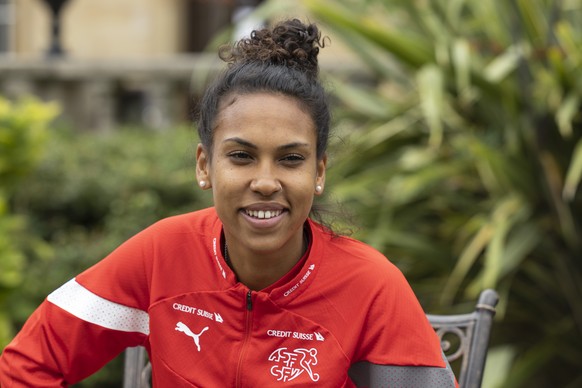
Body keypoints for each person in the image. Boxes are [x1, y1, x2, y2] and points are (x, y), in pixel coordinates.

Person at [0, 19, 456, 387]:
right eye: (241, 156)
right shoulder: (161, 255)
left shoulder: (371, 286)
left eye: (291, 159)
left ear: (318, 173)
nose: (264, 182)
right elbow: (25, 367)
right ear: (205, 166)